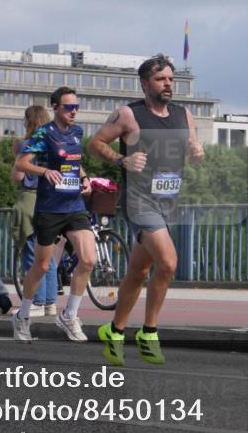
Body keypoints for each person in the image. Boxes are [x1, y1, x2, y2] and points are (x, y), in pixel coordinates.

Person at [88, 54, 205, 366]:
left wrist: (197, 152)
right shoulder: (128, 115)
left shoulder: (184, 115)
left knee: (139, 270)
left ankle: (114, 330)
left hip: (168, 201)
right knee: (167, 262)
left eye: (170, 79)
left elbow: (194, 151)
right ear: (144, 84)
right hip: (139, 202)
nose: (167, 84)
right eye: (160, 79)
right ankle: (149, 332)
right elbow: (96, 143)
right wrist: (121, 160)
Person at [14, 87, 95, 344]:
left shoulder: (77, 132)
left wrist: (84, 178)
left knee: (89, 260)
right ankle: (23, 316)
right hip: (49, 209)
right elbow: (22, 164)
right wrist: (44, 172)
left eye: (77, 107)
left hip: (74, 206)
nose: (74, 112)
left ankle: (69, 315)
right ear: (55, 107)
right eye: (69, 107)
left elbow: (74, 161)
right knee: (42, 266)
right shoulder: (44, 133)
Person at [12, 105, 57, 317]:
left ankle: (37, 301)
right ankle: (50, 302)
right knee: (49, 256)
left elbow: (18, 176)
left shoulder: (28, 144)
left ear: (29, 121)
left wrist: (16, 156)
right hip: (51, 200)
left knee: (32, 253)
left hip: (30, 200)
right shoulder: (53, 143)